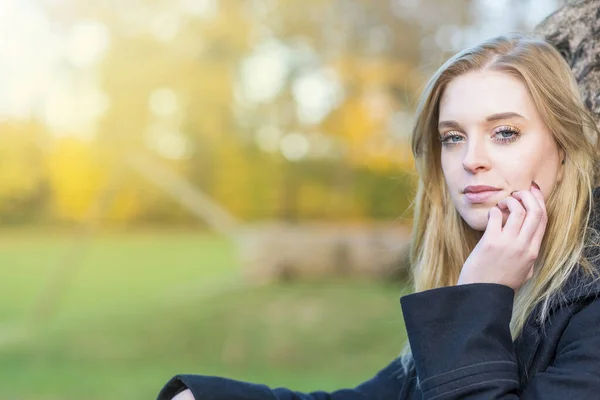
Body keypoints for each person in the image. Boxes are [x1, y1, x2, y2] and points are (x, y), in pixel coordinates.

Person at [157, 33, 600, 400]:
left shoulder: (587, 304)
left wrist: (478, 295)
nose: (471, 159)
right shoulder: (480, 277)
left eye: (505, 133)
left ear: (563, 150)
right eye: (452, 137)